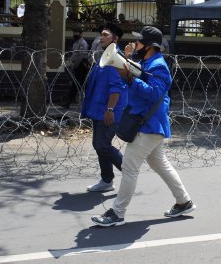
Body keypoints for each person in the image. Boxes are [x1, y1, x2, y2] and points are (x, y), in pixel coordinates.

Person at [92, 26, 196, 226]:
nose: (136, 44)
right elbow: (140, 79)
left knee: (129, 167)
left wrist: (130, 77)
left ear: (150, 46)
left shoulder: (158, 65)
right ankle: (184, 201)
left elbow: (154, 93)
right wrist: (129, 62)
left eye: (139, 42)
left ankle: (117, 212)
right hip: (149, 125)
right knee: (161, 165)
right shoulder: (148, 61)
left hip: (149, 125)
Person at [81, 23, 129, 192]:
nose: (101, 37)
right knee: (100, 144)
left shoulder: (116, 59)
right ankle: (107, 180)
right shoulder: (105, 58)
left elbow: (117, 88)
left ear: (115, 39)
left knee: (102, 144)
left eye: (105, 35)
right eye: (101, 35)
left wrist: (110, 110)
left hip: (109, 112)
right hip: (98, 110)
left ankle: (129, 172)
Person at [62, 29, 90, 109]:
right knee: (78, 85)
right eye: (74, 33)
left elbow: (80, 56)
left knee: (77, 85)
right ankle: (69, 102)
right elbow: (74, 55)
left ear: (81, 34)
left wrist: (75, 65)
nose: (75, 34)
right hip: (76, 66)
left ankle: (68, 102)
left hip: (81, 66)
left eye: (76, 33)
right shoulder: (76, 43)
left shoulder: (83, 43)